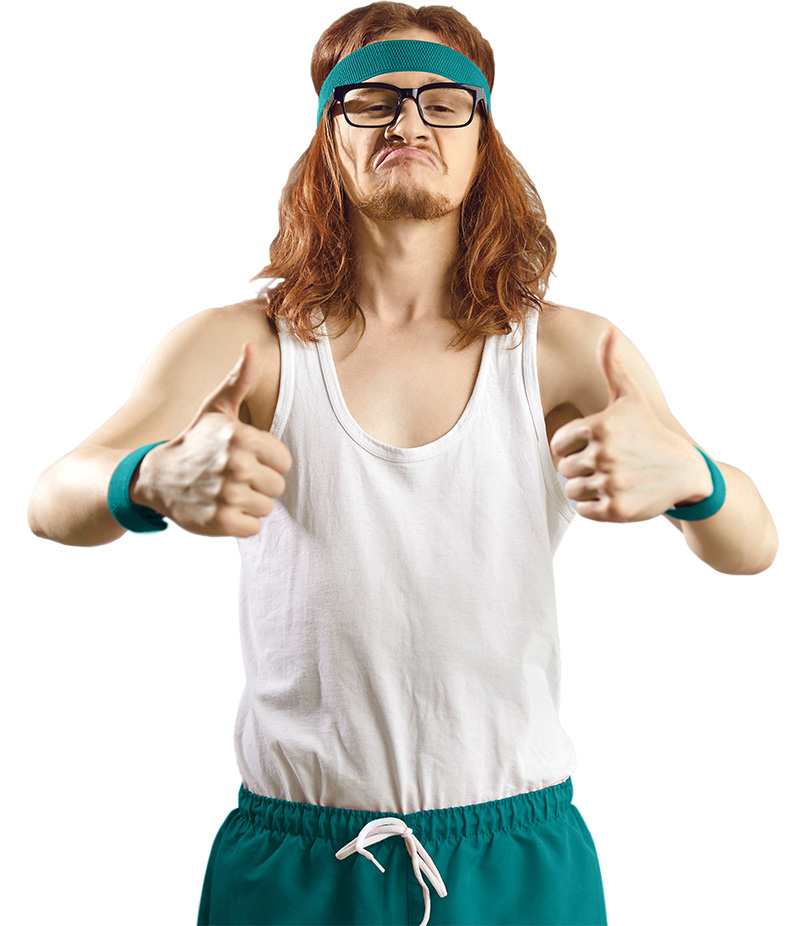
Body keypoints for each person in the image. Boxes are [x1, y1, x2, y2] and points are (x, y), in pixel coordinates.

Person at [28, 4, 778, 925]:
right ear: (327, 138)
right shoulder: (248, 349)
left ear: (484, 137)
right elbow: (50, 498)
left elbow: (755, 544)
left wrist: (694, 479)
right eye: (373, 99)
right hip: (294, 859)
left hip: (517, 857)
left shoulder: (569, 354)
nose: (409, 121)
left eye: (443, 102)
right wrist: (147, 480)